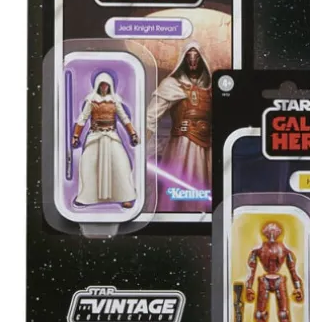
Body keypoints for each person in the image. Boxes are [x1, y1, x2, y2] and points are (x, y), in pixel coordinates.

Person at [146, 41, 212, 210]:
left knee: (205, 185)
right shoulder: (171, 84)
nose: (192, 61)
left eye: (196, 57)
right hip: (182, 143)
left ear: (202, 59)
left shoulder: (210, 87)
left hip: (207, 145)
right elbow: (151, 116)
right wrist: (143, 144)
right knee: (178, 186)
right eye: (189, 57)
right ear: (183, 59)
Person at [72, 72, 139, 207]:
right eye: (101, 85)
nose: (104, 87)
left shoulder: (115, 100)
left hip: (111, 135)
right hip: (95, 135)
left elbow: (124, 117)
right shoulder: (91, 100)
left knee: (121, 164)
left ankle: (125, 196)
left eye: (106, 85)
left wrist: (132, 133)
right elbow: (83, 118)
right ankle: (86, 197)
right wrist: (76, 136)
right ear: (97, 85)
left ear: (110, 86)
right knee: (88, 165)